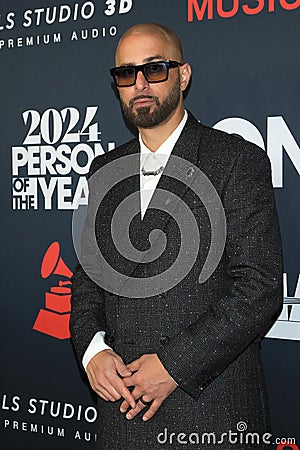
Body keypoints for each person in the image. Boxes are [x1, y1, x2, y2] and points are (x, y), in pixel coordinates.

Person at [70, 23, 283, 449]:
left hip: (213, 411)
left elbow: (259, 288)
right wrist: (93, 351)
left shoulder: (236, 160)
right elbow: (89, 278)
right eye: (126, 74)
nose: (141, 83)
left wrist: (172, 365)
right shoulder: (102, 172)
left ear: (183, 75)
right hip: (123, 414)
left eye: (155, 68)